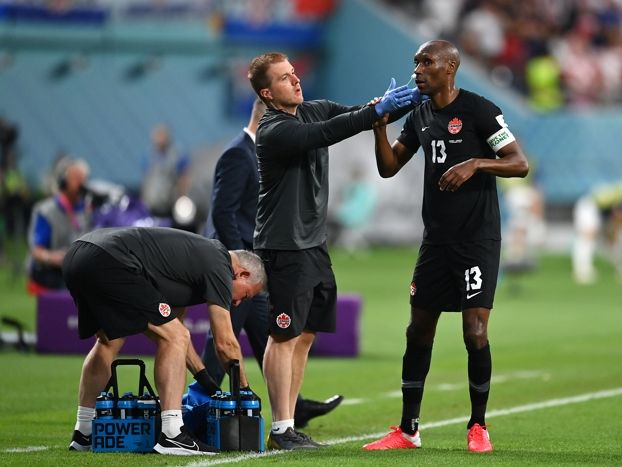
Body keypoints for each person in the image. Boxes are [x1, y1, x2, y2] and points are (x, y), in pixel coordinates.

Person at [362, 40, 529, 453]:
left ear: (450, 67)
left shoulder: (480, 110)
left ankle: (478, 425)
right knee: (418, 331)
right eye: (415, 62)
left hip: (477, 240)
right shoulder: (419, 114)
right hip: (435, 241)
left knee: (474, 332)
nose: (417, 70)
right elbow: (388, 167)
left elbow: (518, 162)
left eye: (426, 62)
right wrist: (379, 127)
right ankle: (408, 429)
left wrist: (475, 163)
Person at [248, 51, 416, 449]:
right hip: (284, 245)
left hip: (313, 244)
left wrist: (407, 101)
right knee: (284, 334)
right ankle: (280, 429)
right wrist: (375, 111)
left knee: (305, 334)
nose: (296, 80)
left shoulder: (312, 109)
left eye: (294, 73)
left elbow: (364, 114)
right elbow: (333, 131)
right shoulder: (274, 130)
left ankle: (288, 424)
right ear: (268, 94)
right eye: (286, 78)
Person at [200, 98, 343, 428]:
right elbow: (223, 212)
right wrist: (240, 265)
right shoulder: (238, 153)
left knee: (274, 336)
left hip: (260, 268)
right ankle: (200, 402)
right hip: (240, 268)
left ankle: (294, 409)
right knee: (223, 342)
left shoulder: (262, 150)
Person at [63, 226, 266, 456]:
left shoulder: (185, 268)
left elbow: (175, 332)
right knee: (175, 338)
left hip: (78, 256)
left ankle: (84, 431)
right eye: (246, 295)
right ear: (242, 274)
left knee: (109, 341)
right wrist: (244, 390)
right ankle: (172, 434)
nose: (238, 303)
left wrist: (205, 380)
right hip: (112, 259)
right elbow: (225, 343)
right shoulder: (220, 263)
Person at [27, 157, 91, 292]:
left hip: (75, 268)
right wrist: (51, 257)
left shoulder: (87, 210)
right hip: (49, 270)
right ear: (63, 181)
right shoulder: (47, 211)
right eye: (76, 178)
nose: (81, 183)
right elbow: (36, 251)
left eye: (83, 179)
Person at [140, 123, 191, 221]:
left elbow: (184, 177)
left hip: (170, 205)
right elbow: (146, 180)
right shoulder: (149, 156)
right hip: (152, 205)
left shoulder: (177, 155)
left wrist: (182, 197)